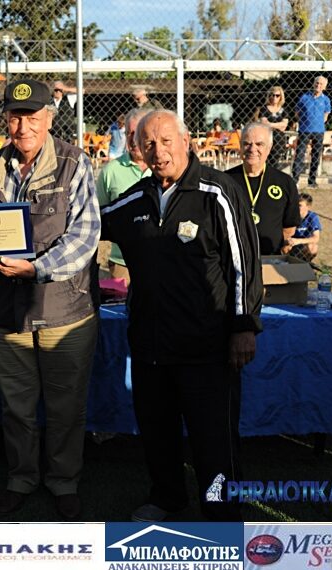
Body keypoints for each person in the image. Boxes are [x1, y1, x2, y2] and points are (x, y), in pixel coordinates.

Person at [101, 110, 262, 522]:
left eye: (166, 141)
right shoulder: (135, 199)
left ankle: (222, 515)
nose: (159, 151)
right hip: (151, 345)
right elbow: (89, 226)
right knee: (158, 431)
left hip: (206, 347)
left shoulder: (217, 192)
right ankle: (168, 498)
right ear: (138, 150)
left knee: (214, 440)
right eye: (149, 144)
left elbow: (244, 264)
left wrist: (243, 326)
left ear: (186, 141)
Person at [0, 79, 101, 521]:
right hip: (5, 312)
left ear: (49, 117)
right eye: (15, 117)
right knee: (16, 406)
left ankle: (64, 480)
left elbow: (85, 235)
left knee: (66, 406)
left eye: (32, 117)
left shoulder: (74, 163)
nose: (23, 126)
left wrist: (36, 269)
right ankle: (22, 477)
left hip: (64, 309)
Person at [226, 123, 301, 255]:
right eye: (247, 144)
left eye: (259, 144)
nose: (252, 149)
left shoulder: (285, 182)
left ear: (269, 147)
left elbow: (289, 227)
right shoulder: (224, 181)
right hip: (232, 258)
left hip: (270, 258)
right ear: (241, 146)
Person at [96, 109, 151, 284]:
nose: (132, 139)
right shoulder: (110, 171)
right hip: (122, 263)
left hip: (160, 260)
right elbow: (98, 218)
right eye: (128, 133)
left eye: (138, 133)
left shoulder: (162, 168)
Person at [291, 75, 331, 188]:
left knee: (316, 155)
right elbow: (297, 112)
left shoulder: (326, 100)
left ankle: (312, 180)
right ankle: (295, 179)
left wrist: (318, 122)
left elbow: (326, 115)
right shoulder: (304, 97)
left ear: (324, 87)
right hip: (304, 130)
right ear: (313, 84)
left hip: (319, 131)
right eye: (317, 83)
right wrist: (304, 121)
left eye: (321, 84)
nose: (318, 85)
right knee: (300, 154)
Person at [255, 85, 289, 167]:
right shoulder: (264, 109)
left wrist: (270, 124)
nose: (274, 97)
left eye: (277, 95)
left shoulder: (284, 110)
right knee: (264, 162)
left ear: (281, 97)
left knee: (275, 163)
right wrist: (278, 125)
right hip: (265, 139)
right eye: (272, 95)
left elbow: (284, 126)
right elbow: (264, 124)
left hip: (278, 140)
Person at [287, 193, 321, 261]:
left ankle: (305, 263)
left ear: (308, 207)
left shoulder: (312, 217)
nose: (296, 208)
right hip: (291, 243)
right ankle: (287, 262)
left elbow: (316, 238)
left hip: (303, 244)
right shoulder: (291, 215)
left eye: (300, 205)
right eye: (295, 205)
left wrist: (299, 241)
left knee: (313, 247)